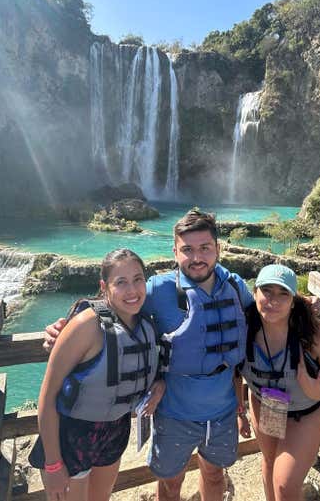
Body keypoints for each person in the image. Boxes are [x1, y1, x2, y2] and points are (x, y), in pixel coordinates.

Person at [45, 209, 253, 501]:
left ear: (217, 249)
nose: (197, 258)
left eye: (205, 248)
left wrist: (303, 308)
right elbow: (115, 308)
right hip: (174, 412)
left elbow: (268, 317)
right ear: (175, 251)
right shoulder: (157, 289)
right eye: (187, 250)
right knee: (170, 485)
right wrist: (65, 324)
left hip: (222, 411)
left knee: (215, 475)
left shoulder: (235, 286)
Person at [34, 248, 165, 501]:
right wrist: (52, 464)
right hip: (72, 437)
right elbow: (47, 397)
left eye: (138, 279)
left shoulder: (145, 323)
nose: (132, 290)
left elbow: (150, 363)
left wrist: (159, 383)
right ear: (104, 286)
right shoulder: (86, 326)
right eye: (121, 282)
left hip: (114, 432)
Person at [236, 264, 320, 501]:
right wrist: (239, 409)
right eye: (267, 291)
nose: (273, 300)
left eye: (283, 294)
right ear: (255, 292)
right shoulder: (243, 326)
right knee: (270, 463)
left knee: (285, 485)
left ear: (293, 300)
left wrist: (318, 390)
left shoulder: (312, 335)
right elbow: (234, 370)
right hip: (265, 404)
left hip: (305, 413)